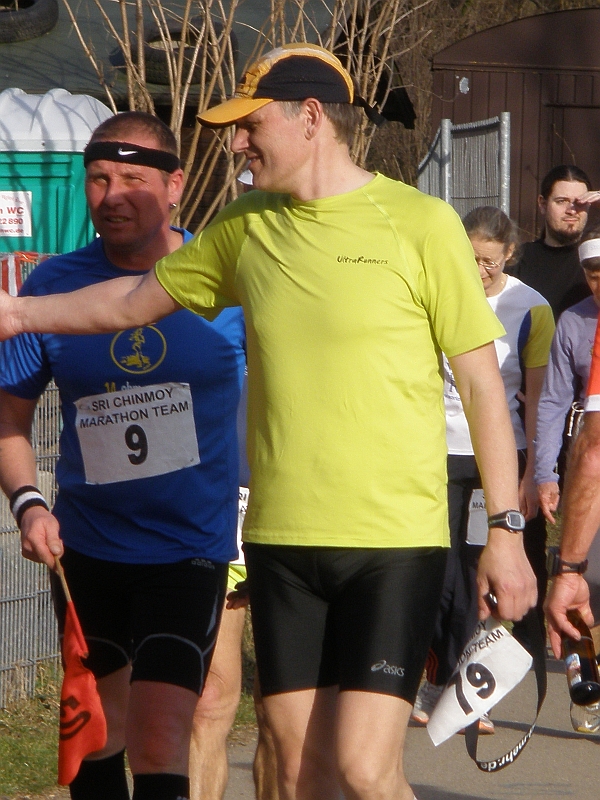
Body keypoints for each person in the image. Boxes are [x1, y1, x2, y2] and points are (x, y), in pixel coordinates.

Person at [0, 44, 537, 800]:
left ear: (310, 117)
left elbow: (482, 386)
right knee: (295, 769)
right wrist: (19, 313)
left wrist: (506, 532)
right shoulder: (245, 226)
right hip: (282, 542)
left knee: (364, 770)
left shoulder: (421, 223)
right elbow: (129, 303)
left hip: (392, 540)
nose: (237, 144)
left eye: (250, 126)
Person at [0, 111, 247, 800]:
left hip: (189, 548)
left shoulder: (227, 279)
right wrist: (28, 504)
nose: (113, 196)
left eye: (133, 179)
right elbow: (10, 418)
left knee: (161, 734)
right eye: (99, 179)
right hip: (87, 549)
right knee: (97, 733)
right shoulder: (52, 287)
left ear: (176, 185)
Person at [412, 207, 554, 732]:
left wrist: (530, 472)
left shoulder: (531, 308)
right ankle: (434, 677)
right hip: (436, 453)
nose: (479, 271)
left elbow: (537, 400)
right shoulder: (439, 292)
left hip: (495, 458)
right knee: (438, 571)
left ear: (509, 254)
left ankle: (471, 690)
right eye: (470, 259)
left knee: (478, 573)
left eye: (489, 262)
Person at [535, 221, 600, 529]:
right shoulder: (573, 320)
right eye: (594, 278)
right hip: (590, 453)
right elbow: (554, 401)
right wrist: (545, 474)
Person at [510, 165, 592, 319]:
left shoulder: (594, 259)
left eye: (580, 202)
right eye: (562, 201)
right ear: (542, 204)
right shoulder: (518, 260)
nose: (572, 210)